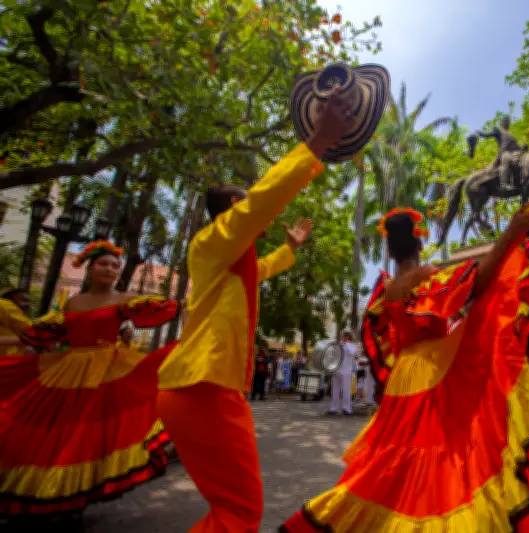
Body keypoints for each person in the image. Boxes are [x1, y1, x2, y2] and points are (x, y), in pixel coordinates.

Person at [280, 203, 529, 533]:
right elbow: (478, 281)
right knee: (443, 454)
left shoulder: (386, 288)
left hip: (405, 375)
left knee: (397, 458)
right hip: (435, 369)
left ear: (391, 247)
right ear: (419, 240)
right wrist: (512, 232)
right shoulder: (426, 275)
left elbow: (386, 335)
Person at [156, 92, 351, 533]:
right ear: (231, 210)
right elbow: (263, 199)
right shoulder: (211, 241)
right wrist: (317, 143)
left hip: (199, 389)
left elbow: (260, 269)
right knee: (239, 513)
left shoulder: (231, 261)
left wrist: (290, 250)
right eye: (243, 205)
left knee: (233, 510)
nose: (254, 213)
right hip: (203, 387)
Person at [0, 241, 182, 524]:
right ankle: (49, 493)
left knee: (88, 435)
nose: (109, 269)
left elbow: (161, 309)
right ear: (90, 268)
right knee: (56, 431)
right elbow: (47, 333)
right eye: (103, 264)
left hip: (107, 373)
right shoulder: (73, 302)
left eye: (114, 265)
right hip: (67, 372)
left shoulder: (124, 299)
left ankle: (77, 496)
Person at [474, 115, 525, 191]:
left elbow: (516, 146)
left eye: (508, 122)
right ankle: (504, 184)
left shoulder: (511, 135)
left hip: (515, 153)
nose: (506, 123)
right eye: (505, 121)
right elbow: (486, 135)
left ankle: (520, 181)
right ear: (501, 123)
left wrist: (522, 147)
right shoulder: (498, 131)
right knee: (506, 159)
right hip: (505, 152)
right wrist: (479, 133)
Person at [328, 331, 357, 415]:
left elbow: (352, 353)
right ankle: (333, 408)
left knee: (346, 391)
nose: (342, 338)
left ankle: (347, 409)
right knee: (335, 390)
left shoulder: (352, 346)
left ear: (348, 337)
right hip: (337, 370)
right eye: (342, 336)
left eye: (344, 336)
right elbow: (333, 355)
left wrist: (346, 343)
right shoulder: (339, 344)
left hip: (346, 371)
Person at [0, 288, 31, 355]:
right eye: (24, 300)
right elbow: (32, 331)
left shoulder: (9, 322)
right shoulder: (5, 304)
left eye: (28, 301)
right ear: (9, 298)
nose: (28, 304)